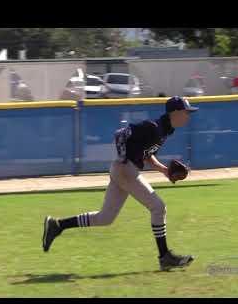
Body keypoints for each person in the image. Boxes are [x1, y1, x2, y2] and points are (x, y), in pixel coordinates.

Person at [42, 96, 199, 271]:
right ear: (175, 112)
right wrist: (123, 157)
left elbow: (146, 154)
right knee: (158, 207)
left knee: (105, 218)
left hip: (124, 170)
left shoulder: (165, 130)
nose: (188, 116)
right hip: (125, 169)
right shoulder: (153, 127)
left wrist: (164, 170)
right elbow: (121, 134)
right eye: (186, 112)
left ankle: (57, 225)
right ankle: (164, 257)